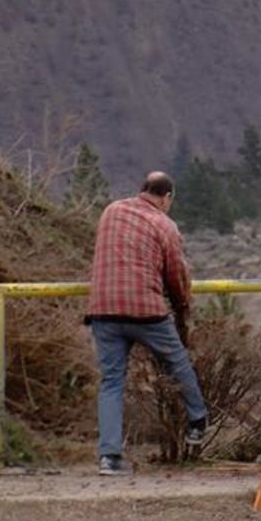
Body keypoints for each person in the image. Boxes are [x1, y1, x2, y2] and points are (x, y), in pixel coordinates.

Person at [86, 171, 208, 475]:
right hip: (146, 311)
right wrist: (182, 306)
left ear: (142, 190)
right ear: (167, 198)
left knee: (112, 382)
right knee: (178, 361)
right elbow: (177, 275)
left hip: (104, 309)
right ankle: (197, 420)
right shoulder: (165, 225)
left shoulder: (111, 210)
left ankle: (109, 457)